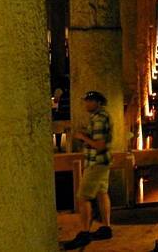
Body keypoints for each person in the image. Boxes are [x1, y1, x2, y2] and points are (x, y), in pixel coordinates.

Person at [64, 91, 114, 250]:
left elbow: (99, 145)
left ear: (98, 103)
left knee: (83, 197)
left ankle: (84, 233)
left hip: (96, 163)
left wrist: (82, 137)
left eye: (89, 101)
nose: (86, 104)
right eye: (86, 101)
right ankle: (106, 228)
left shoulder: (98, 119)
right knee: (101, 193)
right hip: (104, 162)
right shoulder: (102, 116)